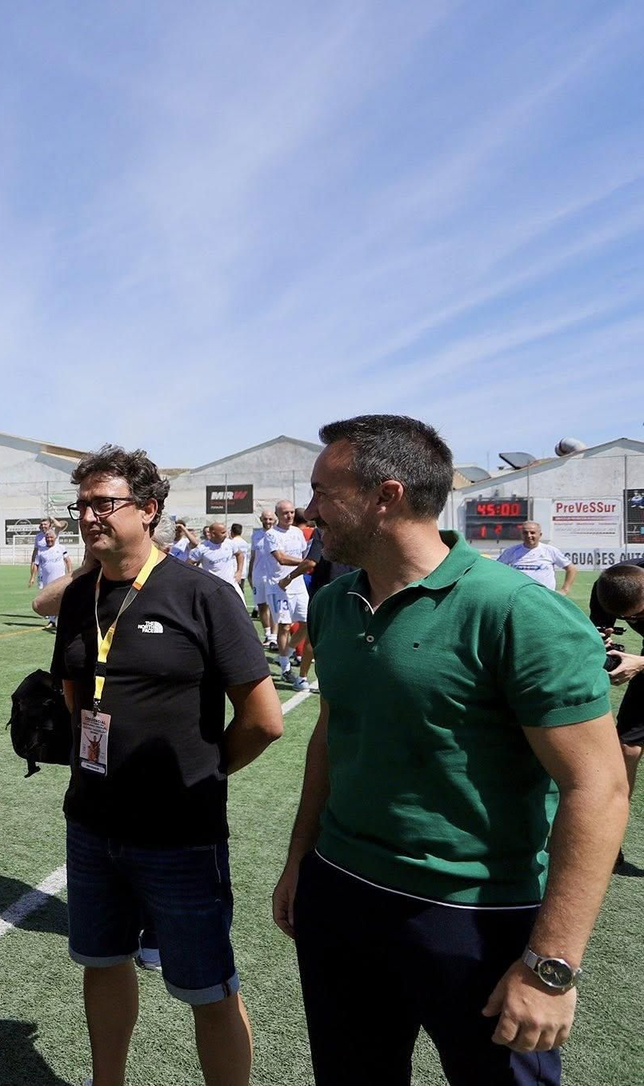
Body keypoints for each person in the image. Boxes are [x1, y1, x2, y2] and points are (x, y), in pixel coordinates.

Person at [272, 415, 628, 1085]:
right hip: (340, 892)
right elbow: (332, 736)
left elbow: (598, 788)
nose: (309, 511)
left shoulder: (520, 612)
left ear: (387, 495)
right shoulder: (336, 603)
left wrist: (550, 966)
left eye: (322, 492)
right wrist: (301, 860)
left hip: (476, 918)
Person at [52, 446, 283, 1086]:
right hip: (91, 824)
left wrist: (200, 775)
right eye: (82, 505)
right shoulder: (79, 597)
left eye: (105, 503)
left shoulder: (204, 594)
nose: (89, 516)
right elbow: (75, 697)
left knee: (209, 987)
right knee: (102, 962)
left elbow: (265, 719)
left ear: (149, 509)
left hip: (180, 835)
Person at [589, 560, 644, 869]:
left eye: (639, 614)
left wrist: (641, 663)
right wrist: (601, 638)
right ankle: (610, 838)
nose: (634, 621)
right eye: (628, 618)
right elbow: (598, 629)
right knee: (627, 747)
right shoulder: (609, 587)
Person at [263, 500, 313, 690]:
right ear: (277, 515)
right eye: (285, 513)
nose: (289, 515)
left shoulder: (297, 533)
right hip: (279, 586)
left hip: (297, 585)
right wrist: (305, 563)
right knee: (284, 626)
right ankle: (285, 668)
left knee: (306, 623)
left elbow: (304, 553)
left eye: (291, 512)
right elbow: (281, 558)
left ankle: (286, 654)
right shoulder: (271, 535)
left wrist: (305, 563)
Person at [497, 522, 577, 596]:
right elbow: (497, 569)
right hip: (520, 596)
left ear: (540, 534)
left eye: (532, 533)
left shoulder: (550, 551)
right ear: (521, 534)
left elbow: (571, 568)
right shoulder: (511, 551)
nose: (529, 536)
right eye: (525, 533)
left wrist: (564, 590)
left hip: (545, 596)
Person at [187, 521, 247, 603]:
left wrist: (239, 572)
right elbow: (188, 564)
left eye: (226, 532)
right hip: (213, 588)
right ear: (213, 534)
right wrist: (198, 577)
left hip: (231, 584)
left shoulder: (229, 543)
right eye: (223, 533)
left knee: (241, 607)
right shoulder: (202, 548)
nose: (226, 535)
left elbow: (240, 554)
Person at [32, 528, 73, 630]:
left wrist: (70, 573)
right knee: (50, 600)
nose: (49, 539)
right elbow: (36, 564)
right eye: (47, 538)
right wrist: (33, 577)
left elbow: (68, 561)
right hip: (47, 580)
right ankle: (52, 621)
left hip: (60, 579)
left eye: (51, 537)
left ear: (55, 538)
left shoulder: (61, 548)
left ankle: (63, 620)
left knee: (62, 599)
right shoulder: (41, 551)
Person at [246, 510, 275, 644]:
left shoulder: (277, 534)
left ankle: (274, 636)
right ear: (261, 519)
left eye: (270, 519)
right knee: (262, 605)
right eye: (265, 519)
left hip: (273, 575)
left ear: (274, 520)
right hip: (258, 575)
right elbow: (253, 556)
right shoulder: (256, 535)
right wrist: (250, 573)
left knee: (273, 606)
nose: (268, 522)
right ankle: (267, 634)